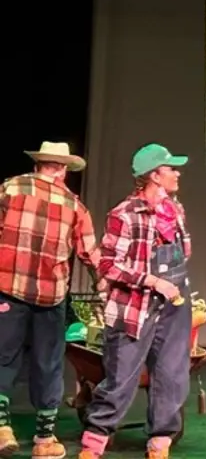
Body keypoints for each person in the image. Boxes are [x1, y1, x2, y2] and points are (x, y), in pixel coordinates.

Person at [78, 144, 194, 459]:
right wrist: (153, 280)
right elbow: (109, 265)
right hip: (135, 307)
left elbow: (185, 252)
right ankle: (95, 440)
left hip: (173, 305)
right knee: (121, 379)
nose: (177, 172)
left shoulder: (175, 209)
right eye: (171, 168)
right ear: (155, 175)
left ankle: (160, 442)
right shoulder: (124, 214)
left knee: (171, 377)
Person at [0, 142, 102, 458]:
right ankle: (44, 440)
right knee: (49, 363)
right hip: (50, 295)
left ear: (40, 164)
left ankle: (1, 429)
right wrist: (108, 286)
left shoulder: (10, 188)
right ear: (61, 169)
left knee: (3, 356)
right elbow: (90, 254)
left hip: (7, 289)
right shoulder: (74, 205)